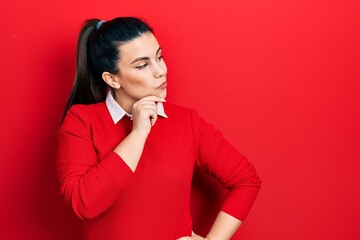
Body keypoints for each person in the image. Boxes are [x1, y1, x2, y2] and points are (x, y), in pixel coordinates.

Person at [57, 17, 261, 240]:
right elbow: (84, 204)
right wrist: (138, 133)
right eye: (143, 65)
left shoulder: (187, 122)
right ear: (112, 79)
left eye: (159, 57)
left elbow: (246, 180)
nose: (160, 71)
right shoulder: (82, 121)